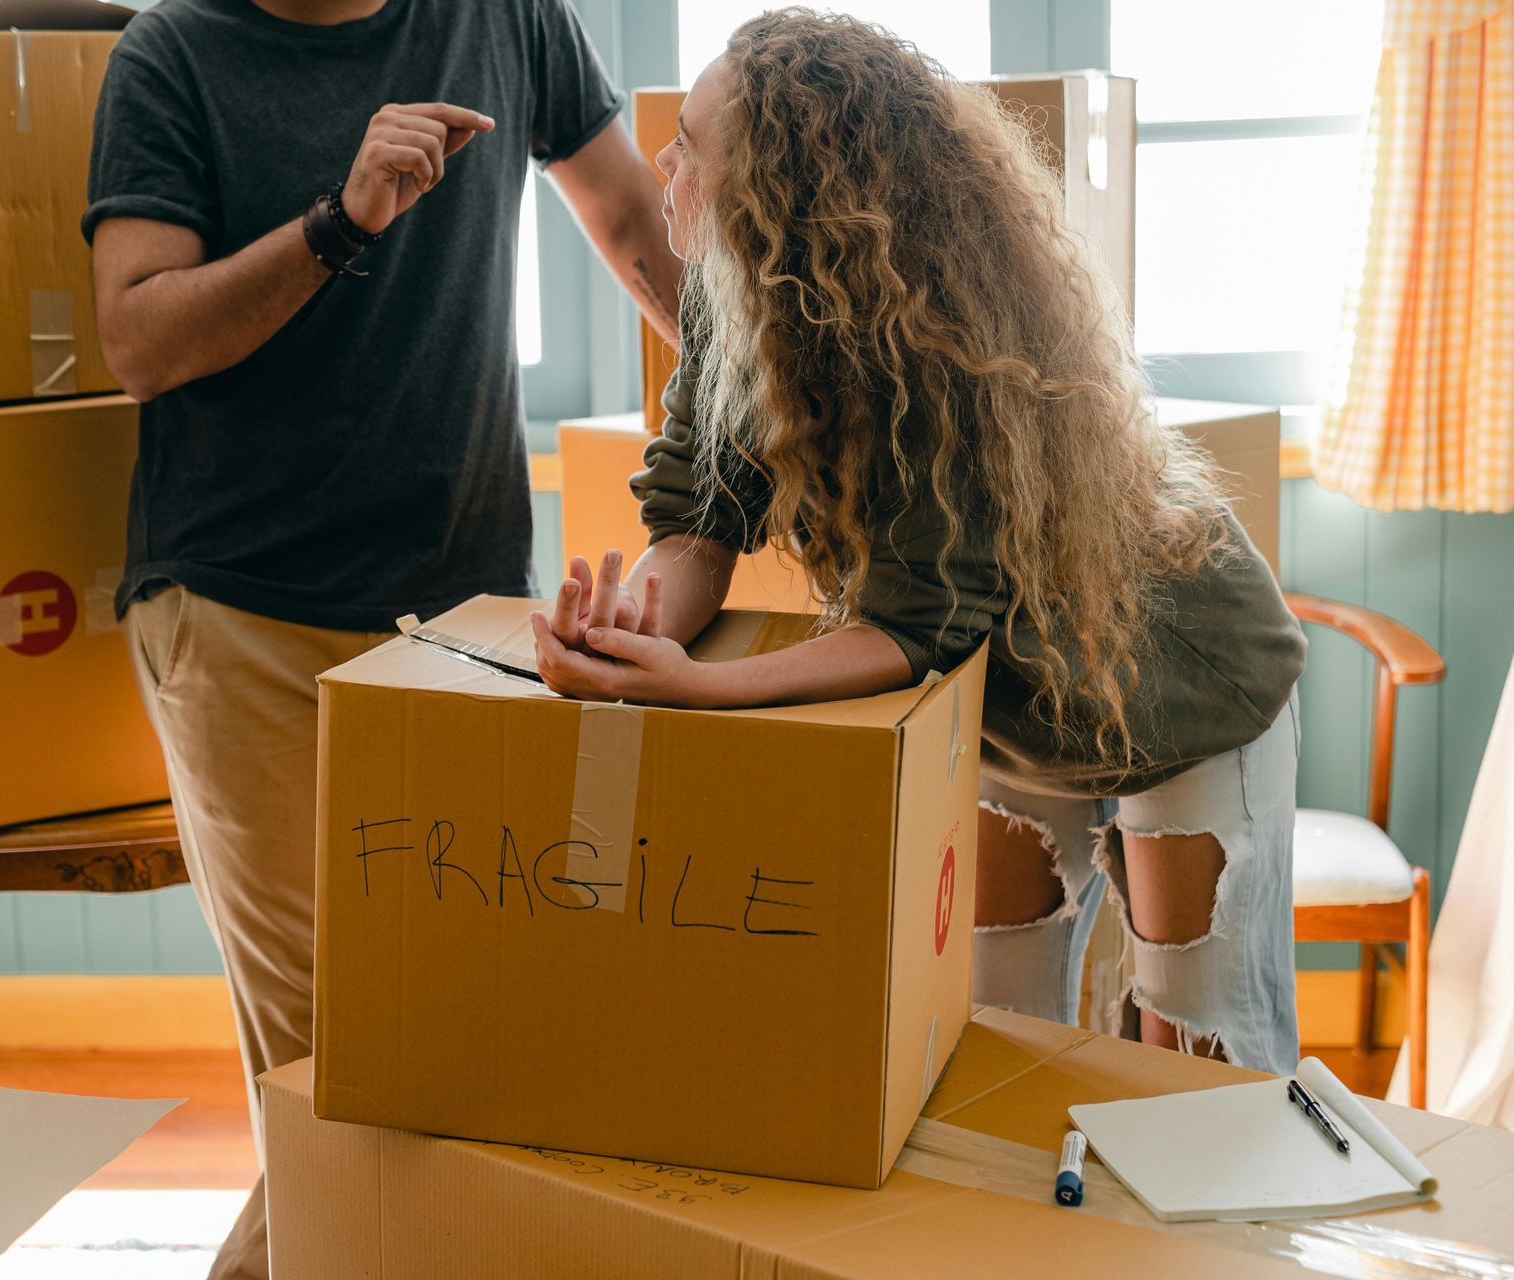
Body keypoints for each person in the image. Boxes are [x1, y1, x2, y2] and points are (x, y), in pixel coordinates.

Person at [533, 10, 1308, 1074]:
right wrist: (634, 632)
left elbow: (916, 630)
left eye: (691, 147)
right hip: (1013, 699)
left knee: (1199, 1045)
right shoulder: (732, 295)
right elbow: (698, 525)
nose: (662, 161)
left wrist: (697, 688)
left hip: (1175, 682)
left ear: (776, 191)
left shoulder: (937, 346)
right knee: (997, 1022)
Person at [82, 2, 681, 1274]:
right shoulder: (173, 54)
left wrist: (770, 397)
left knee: (445, 1045)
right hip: (244, 603)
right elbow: (137, 338)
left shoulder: (507, 14)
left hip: (461, 610)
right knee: (334, 1059)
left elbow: (633, 221)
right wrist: (335, 224)